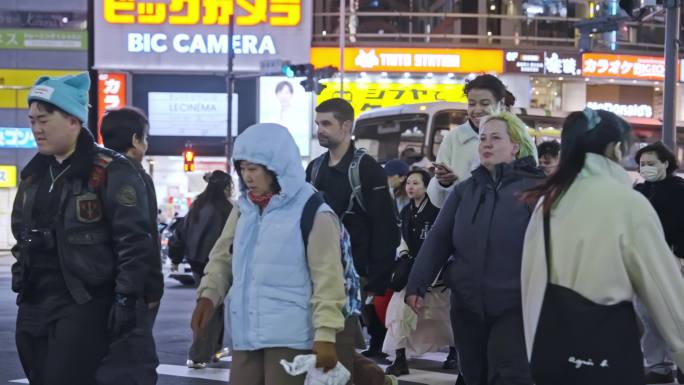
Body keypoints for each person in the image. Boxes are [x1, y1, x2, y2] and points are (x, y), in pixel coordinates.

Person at [521, 109, 684, 385]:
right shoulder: (628, 204)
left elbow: (530, 284)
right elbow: (666, 294)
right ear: (617, 149)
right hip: (606, 358)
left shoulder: (548, 202)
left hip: (549, 355)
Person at [11, 73, 154, 385]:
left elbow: (134, 241)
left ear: (73, 120)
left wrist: (125, 298)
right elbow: (20, 232)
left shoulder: (110, 170)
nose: (36, 128)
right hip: (35, 301)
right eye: (32, 120)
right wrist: (21, 280)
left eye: (44, 120)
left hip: (84, 300)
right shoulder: (34, 174)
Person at [189, 123, 347, 385]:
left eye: (254, 169)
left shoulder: (313, 211)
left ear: (276, 169)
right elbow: (222, 258)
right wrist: (208, 296)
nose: (247, 176)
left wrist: (326, 334)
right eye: (242, 168)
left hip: (291, 337)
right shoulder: (244, 209)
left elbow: (328, 278)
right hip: (246, 333)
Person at [407, 111, 542, 385]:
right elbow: (439, 238)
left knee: (509, 375)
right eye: (482, 138)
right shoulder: (464, 190)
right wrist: (416, 284)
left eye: (495, 138)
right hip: (467, 304)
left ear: (516, 146)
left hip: (516, 305)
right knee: (473, 376)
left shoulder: (537, 190)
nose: (486, 144)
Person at [307, 98, 400, 385]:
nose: (320, 129)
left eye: (326, 124)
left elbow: (385, 228)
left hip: (353, 275)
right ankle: (379, 382)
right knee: (323, 342)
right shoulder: (314, 168)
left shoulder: (367, 169)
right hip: (316, 273)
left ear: (346, 126)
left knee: (340, 342)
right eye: (317, 123)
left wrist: (376, 282)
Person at [97, 106, 164, 385]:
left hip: (95, 285)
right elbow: (140, 238)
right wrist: (150, 288)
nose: (146, 145)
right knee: (137, 363)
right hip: (130, 289)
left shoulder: (92, 171)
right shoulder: (133, 175)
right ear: (136, 140)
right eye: (145, 138)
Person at [383, 169, 456, 376]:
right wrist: (404, 255)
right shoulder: (406, 211)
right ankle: (399, 359)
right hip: (411, 272)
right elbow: (402, 238)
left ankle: (454, 352)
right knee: (399, 312)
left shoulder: (436, 211)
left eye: (416, 183)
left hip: (435, 272)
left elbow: (442, 243)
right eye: (408, 183)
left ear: (427, 187)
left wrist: (437, 268)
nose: (410, 187)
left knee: (444, 316)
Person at [168, 170, 233, 368]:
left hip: (196, 261)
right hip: (215, 263)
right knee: (213, 307)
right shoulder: (227, 209)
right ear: (225, 187)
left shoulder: (198, 205)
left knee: (205, 304)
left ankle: (212, 349)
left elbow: (181, 232)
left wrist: (176, 257)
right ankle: (199, 353)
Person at [632, 141, 684, 383]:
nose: (646, 167)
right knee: (649, 318)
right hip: (644, 262)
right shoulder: (639, 191)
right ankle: (658, 367)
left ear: (666, 163)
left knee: (676, 317)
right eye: (642, 164)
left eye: (652, 163)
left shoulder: (679, 189)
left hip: (673, 262)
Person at [427, 74, 516, 208]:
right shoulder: (453, 138)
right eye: (471, 104)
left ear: (501, 103)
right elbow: (438, 202)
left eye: (485, 104)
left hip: (505, 217)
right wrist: (443, 183)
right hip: (463, 219)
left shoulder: (516, 137)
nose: (477, 110)